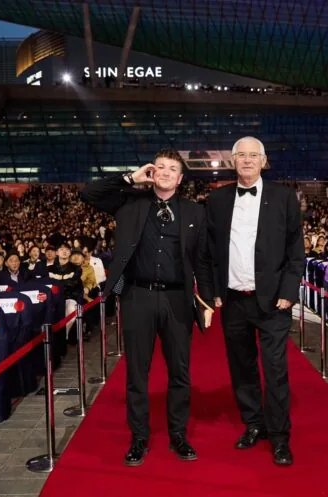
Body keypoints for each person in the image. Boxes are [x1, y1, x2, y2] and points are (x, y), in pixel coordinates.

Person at [81, 149, 214, 467]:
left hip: (178, 300)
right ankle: (139, 438)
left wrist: (207, 300)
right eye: (161, 167)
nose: (166, 172)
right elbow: (88, 194)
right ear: (152, 172)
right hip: (136, 296)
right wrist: (130, 177)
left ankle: (178, 435)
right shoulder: (129, 201)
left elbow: (203, 260)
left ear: (181, 179)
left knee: (180, 372)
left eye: (173, 169)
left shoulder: (195, 213)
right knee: (137, 373)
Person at [205, 136, 305, 466]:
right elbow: (210, 253)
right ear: (232, 161)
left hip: (274, 301)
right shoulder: (217, 200)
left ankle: (279, 437)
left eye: (253, 155)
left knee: (275, 370)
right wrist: (213, 290)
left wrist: (289, 293)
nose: (247, 160)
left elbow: (296, 251)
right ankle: (253, 424)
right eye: (241, 155)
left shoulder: (284, 196)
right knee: (242, 367)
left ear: (264, 161)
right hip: (233, 301)